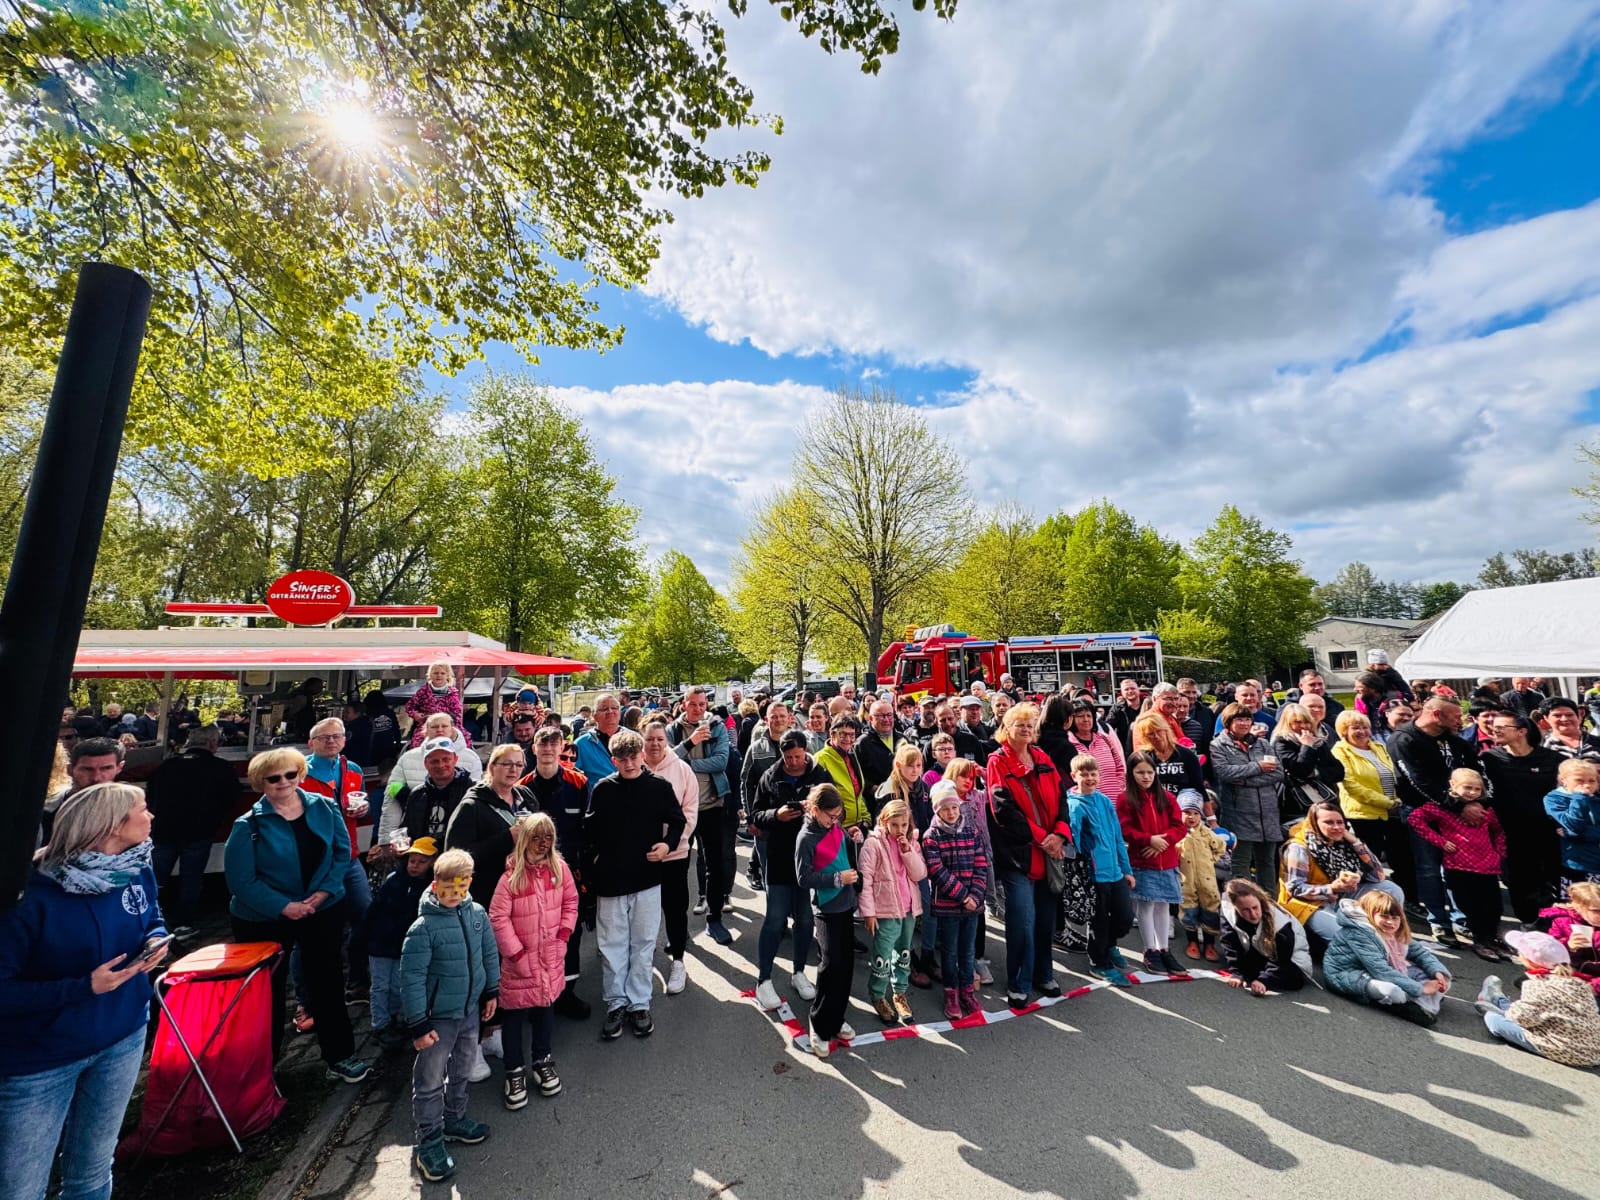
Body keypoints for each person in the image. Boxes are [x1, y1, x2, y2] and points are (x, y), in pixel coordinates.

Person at [0, 783, 171, 1200]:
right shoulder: (28, 897)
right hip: (41, 1059)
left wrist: (156, 938)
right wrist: (82, 988)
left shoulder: (135, 867)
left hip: (123, 1035)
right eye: (143, 809)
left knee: (93, 1171)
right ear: (111, 825)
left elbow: (151, 913)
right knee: (21, 1188)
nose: (151, 817)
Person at [223, 748, 368, 1081]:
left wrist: (324, 893)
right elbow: (241, 881)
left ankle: (340, 1055)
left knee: (327, 981)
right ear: (261, 783)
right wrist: (284, 907)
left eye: (290, 774)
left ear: (301, 774)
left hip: (321, 908)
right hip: (263, 917)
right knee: (266, 993)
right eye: (273, 778)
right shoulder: (247, 825)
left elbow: (341, 853)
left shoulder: (325, 806)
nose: (283, 782)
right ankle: (263, 1068)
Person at [581, 728, 686, 1042]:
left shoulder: (659, 786)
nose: (628, 764)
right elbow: (590, 828)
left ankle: (639, 1002)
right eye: (622, 759)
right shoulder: (603, 788)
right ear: (613, 759)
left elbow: (677, 820)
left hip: (646, 877)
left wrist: (667, 845)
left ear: (642, 756)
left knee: (642, 942)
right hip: (611, 879)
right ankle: (616, 1002)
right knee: (612, 944)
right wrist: (593, 861)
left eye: (633, 757)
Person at [401, 848, 499, 1182]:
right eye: (448, 888)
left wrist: (491, 990)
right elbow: (411, 978)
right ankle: (429, 1138)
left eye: (462, 886)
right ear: (435, 884)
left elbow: (488, 953)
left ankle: (454, 1117)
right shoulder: (423, 928)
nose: (455, 894)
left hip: (469, 1010)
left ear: (469, 882)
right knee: (430, 1079)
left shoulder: (477, 914)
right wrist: (418, 1023)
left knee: (462, 1068)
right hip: (437, 1019)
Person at [490, 813, 578, 1109]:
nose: (543, 844)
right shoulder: (510, 878)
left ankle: (542, 1059)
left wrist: (563, 936)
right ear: (525, 840)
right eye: (536, 838)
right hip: (520, 962)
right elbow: (498, 917)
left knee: (545, 1011)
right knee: (514, 1018)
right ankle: (514, 1070)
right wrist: (515, 953)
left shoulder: (560, 870)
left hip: (550, 957)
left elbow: (571, 902)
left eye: (548, 837)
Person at [986, 703, 1070, 1005]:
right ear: (1006, 729)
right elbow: (1002, 810)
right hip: (1018, 855)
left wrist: (1059, 833)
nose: (1025, 729)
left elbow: (1062, 797)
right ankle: (1019, 981)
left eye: (1029, 725)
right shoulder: (997, 761)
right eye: (1019, 724)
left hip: (1050, 850)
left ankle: (1043, 974)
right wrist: (1041, 837)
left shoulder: (1043, 757)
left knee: (1046, 921)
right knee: (1022, 920)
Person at [1389, 696, 1478, 942]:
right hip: (1422, 813)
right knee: (1429, 869)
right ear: (1437, 715)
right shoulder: (1404, 739)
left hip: (1454, 812)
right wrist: (1458, 805)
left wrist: (1475, 802)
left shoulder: (1454, 740)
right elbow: (1418, 781)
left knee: (1456, 867)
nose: (1460, 720)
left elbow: (1474, 769)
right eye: (1455, 716)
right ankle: (1439, 921)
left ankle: (1461, 919)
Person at [517, 725, 592, 1019]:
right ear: (534, 748)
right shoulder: (521, 787)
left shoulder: (579, 783)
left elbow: (588, 830)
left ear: (562, 747)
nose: (548, 748)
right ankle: (537, 993)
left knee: (568, 932)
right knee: (534, 933)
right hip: (532, 875)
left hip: (568, 874)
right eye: (542, 743)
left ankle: (565, 992)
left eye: (553, 743)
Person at [751, 729, 828, 1012]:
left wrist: (815, 810)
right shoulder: (770, 776)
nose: (794, 762)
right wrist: (777, 815)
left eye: (798, 756)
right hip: (780, 856)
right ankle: (764, 979)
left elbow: (835, 808)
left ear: (806, 751)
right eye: (788, 757)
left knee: (806, 919)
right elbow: (756, 815)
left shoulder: (819, 774)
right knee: (774, 918)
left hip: (809, 858)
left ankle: (799, 972)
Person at [144, 723, 239, 935]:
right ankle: (183, 924)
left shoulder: (166, 766)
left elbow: (151, 796)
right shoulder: (221, 768)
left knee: (154, 878)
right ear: (213, 743)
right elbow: (232, 797)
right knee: (191, 879)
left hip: (163, 830)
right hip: (199, 831)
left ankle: (147, 920)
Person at [301, 717, 372, 1001]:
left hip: (350, 858)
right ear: (311, 743)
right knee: (311, 925)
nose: (331, 741)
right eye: (324, 737)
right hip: (315, 861)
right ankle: (307, 998)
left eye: (337, 736)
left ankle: (357, 981)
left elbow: (361, 804)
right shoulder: (300, 771)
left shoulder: (352, 769)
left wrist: (363, 809)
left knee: (364, 916)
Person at [1408, 769, 1508, 960]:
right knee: (1471, 907)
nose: (1472, 792)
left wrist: (1499, 852)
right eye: (1467, 787)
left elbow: (1497, 830)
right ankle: (1480, 941)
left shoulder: (1485, 808)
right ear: (1453, 785)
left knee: (1494, 906)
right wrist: (1440, 842)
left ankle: (1491, 939)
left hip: (1488, 865)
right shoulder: (1443, 807)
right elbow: (1415, 818)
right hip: (1459, 865)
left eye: (1477, 789)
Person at [794, 784, 862, 1058]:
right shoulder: (806, 838)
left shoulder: (835, 826)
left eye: (838, 816)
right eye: (830, 816)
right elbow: (803, 878)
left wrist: (853, 835)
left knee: (845, 965)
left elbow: (842, 845)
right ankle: (819, 1022)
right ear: (815, 809)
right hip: (826, 908)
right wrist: (837, 879)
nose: (835, 821)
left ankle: (836, 1017)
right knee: (830, 965)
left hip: (846, 904)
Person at [1278, 801, 1405, 948]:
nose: (1336, 827)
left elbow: (1378, 876)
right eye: (1329, 822)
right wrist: (1331, 888)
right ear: (1314, 824)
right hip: (1309, 904)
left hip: (1342, 896)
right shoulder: (1299, 848)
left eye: (1340, 822)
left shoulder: (1344, 842)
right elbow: (1295, 889)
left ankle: (1389, 939)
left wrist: (1356, 842)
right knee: (1350, 937)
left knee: (1390, 888)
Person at [1482, 711, 1565, 925]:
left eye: (1501, 727)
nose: (1495, 731)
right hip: (1509, 834)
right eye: (1493, 727)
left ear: (1521, 731)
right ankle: (1528, 924)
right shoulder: (1489, 759)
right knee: (1518, 881)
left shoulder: (1553, 760)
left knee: (1554, 878)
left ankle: (1559, 925)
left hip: (1549, 832)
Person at [1323, 890, 1451, 1026]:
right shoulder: (1359, 932)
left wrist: (1437, 972)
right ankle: (1408, 1003)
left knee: (1443, 982)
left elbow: (1420, 953)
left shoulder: (1394, 930)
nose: (1390, 922)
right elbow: (1380, 970)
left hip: (1385, 969)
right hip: (1349, 974)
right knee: (1394, 992)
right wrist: (1420, 989)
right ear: (1369, 913)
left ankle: (1417, 1003)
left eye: (1395, 918)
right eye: (1384, 916)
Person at [667, 687, 734, 945]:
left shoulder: (716, 727)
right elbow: (666, 761)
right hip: (680, 809)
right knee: (678, 869)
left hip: (711, 805)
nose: (698, 709)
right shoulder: (672, 730)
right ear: (684, 704)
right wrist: (691, 741)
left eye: (702, 704)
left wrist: (686, 764)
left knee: (715, 865)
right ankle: (678, 927)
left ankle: (714, 919)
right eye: (693, 704)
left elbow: (721, 761)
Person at [1475, 931, 1600, 1067]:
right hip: (1593, 1051)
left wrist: (1511, 1013)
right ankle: (1499, 1000)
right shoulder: (1579, 982)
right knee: (1529, 1009)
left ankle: (1495, 1005)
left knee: (1494, 1020)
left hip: (1565, 1050)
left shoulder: (1538, 985)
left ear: (1527, 960)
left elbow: (1522, 1019)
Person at [924, 779, 992, 1019]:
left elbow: (981, 865)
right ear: (937, 811)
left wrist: (975, 895)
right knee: (950, 951)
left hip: (972, 906)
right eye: (945, 809)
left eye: (954, 807)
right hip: (948, 906)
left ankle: (966, 990)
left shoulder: (972, 831)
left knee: (967, 951)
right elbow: (937, 870)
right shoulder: (931, 836)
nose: (951, 813)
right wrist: (964, 897)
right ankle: (951, 992)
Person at [640, 720, 699, 996]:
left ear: (667, 741)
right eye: (650, 739)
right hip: (641, 856)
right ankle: (642, 962)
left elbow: (689, 813)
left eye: (660, 739)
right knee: (643, 912)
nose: (655, 744)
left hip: (674, 853)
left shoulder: (683, 770)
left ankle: (678, 960)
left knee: (675, 908)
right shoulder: (634, 767)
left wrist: (669, 843)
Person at [363, 836, 438, 1050]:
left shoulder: (429, 889)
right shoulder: (394, 880)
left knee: (398, 986)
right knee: (380, 986)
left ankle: (398, 1018)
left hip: (403, 946)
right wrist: (364, 936)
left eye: (421, 862)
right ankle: (380, 1025)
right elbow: (374, 909)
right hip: (380, 943)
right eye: (412, 860)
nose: (415, 865)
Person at [1067, 753, 1135, 988]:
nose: (1089, 778)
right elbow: (1074, 845)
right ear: (1074, 776)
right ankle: (1100, 963)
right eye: (1084, 774)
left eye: (1093, 774)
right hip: (1093, 875)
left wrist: (1127, 870)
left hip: (1115, 872)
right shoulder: (1074, 805)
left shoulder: (1105, 801)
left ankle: (1109, 944)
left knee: (1125, 917)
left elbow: (1117, 838)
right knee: (1099, 921)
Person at [858, 798, 928, 1025]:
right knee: (883, 956)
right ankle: (878, 995)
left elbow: (920, 874)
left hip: (908, 909)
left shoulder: (912, 842)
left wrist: (908, 852)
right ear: (884, 821)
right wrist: (869, 913)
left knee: (904, 953)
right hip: (886, 910)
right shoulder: (874, 844)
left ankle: (899, 992)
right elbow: (865, 881)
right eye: (895, 824)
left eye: (904, 825)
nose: (900, 830)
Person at [1117, 752, 1187, 975]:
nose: (1146, 777)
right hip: (1143, 861)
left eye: (1150, 772)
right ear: (1131, 773)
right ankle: (1150, 950)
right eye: (1140, 772)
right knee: (1146, 906)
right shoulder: (1125, 799)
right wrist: (1148, 840)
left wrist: (1162, 842)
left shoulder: (1167, 798)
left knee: (1163, 905)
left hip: (1166, 861)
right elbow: (1125, 829)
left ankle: (1164, 949)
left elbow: (1179, 827)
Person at [445, 744, 535, 909]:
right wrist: (507, 838)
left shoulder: (526, 797)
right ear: (492, 767)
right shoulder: (472, 806)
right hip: (487, 896)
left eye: (519, 765)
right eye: (507, 764)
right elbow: (455, 856)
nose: (513, 770)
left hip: (524, 893)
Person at [1330, 711, 1411, 891]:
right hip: (1364, 815)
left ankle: (1407, 896)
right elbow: (1352, 786)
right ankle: (1372, 896)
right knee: (1369, 860)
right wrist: (1387, 803)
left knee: (1401, 857)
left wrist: (1396, 801)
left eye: (1365, 727)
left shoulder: (1379, 747)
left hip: (1393, 811)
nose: (1362, 731)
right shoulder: (1340, 751)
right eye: (1355, 728)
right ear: (1344, 731)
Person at [1211, 702, 1283, 893]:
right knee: (1240, 862)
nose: (1244, 723)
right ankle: (1242, 901)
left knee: (1267, 861)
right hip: (1239, 813)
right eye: (1239, 719)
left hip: (1267, 813)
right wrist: (1258, 767)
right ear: (1228, 722)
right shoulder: (1218, 745)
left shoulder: (1263, 744)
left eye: (1247, 719)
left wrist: (1244, 780)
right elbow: (1225, 773)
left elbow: (1278, 773)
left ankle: (1269, 902)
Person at [1217, 878, 1311, 995]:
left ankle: (1264, 975)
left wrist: (1264, 980)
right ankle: (1254, 972)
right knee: (1247, 968)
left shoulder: (1280, 923)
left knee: (1293, 981)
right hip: (1259, 948)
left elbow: (1282, 958)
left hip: (1291, 956)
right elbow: (1229, 943)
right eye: (1246, 910)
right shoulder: (1227, 910)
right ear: (1234, 907)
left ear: (1260, 901)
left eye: (1255, 907)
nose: (1253, 914)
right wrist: (1237, 972)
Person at [741, 701, 795, 894]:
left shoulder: (801, 744)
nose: (779, 720)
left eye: (782, 716)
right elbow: (746, 785)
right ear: (766, 719)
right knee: (770, 878)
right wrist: (750, 818)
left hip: (795, 823)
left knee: (796, 876)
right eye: (774, 716)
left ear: (789, 718)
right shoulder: (756, 749)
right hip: (765, 823)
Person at [41, 736, 123, 846]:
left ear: (119, 768)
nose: (96, 777)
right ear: (70, 770)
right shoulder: (46, 811)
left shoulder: (130, 810)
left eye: (106, 768)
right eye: (87, 769)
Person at [395, 738, 476, 845]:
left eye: (446, 759)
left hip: (458, 854)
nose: (440, 765)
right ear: (426, 764)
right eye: (434, 761)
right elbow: (406, 830)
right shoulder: (417, 794)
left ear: (455, 759)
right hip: (422, 854)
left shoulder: (472, 790)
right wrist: (402, 844)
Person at [1177, 790, 1227, 960]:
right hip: (1186, 880)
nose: (1191, 817)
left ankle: (1209, 944)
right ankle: (1192, 942)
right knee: (1188, 909)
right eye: (1187, 813)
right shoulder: (1177, 833)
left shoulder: (1207, 833)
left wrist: (1211, 859)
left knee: (1210, 909)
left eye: (1196, 813)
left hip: (1207, 881)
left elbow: (1221, 847)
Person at [1270, 703, 1345, 809]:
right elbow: (1300, 770)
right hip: (1296, 800)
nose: (1303, 726)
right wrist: (1307, 746)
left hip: (1325, 794)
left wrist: (1317, 772)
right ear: (1287, 723)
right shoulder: (1282, 742)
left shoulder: (1318, 741)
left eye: (1306, 722)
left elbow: (1338, 772)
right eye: (1297, 722)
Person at [1544, 757, 1600, 897]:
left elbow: (1573, 832)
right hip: (1576, 863)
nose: (1586, 785)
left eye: (1591, 781)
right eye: (1579, 780)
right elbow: (1574, 826)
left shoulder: (1596, 800)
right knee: (1575, 903)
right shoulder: (1554, 799)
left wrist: (1572, 833)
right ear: (1563, 779)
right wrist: (1579, 798)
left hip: (1596, 862)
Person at [1537, 881, 1600, 998]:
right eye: (1596, 910)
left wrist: (1593, 987)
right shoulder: (1562, 921)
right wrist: (1568, 946)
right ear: (1578, 907)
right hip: (1571, 976)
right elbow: (1549, 953)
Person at [1061, 697, 1127, 802]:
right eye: (1080, 716)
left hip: (1114, 801)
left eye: (1089, 715)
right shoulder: (1067, 742)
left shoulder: (1105, 739)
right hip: (1085, 804)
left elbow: (1120, 767)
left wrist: (1119, 788)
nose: (1086, 719)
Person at [1130, 711, 1204, 800]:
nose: (1156, 736)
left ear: (1165, 730)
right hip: (1154, 802)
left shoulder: (1186, 754)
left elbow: (1198, 786)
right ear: (1145, 737)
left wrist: (1208, 808)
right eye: (1151, 734)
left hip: (1183, 801)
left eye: (1158, 731)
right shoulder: (1142, 757)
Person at [406, 661, 466, 748]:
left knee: (464, 740)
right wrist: (415, 714)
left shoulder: (453, 693)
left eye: (442, 673)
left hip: (447, 725)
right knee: (417, 742)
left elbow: (457, 713)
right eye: (436, 673)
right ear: (430, 675)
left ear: (447, 676)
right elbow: (409, 706)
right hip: (428, 725)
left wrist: (456, 727)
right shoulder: (423, 692)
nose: (439, 675)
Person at [572, 694, 623, 792]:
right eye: (605, 709)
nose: (610, 711)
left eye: (614, 708)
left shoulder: (634, 739)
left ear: (620, 713)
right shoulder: (581, 744)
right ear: (595, 716)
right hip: (598, 798)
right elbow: (571, 776)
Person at [1540, 697, 1600, 762]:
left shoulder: (1597, 742)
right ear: (1546, 718)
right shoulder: (1542, 746)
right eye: (1557, 715)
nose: (1564, 719)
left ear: (1578, 717)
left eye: (1569, 715)